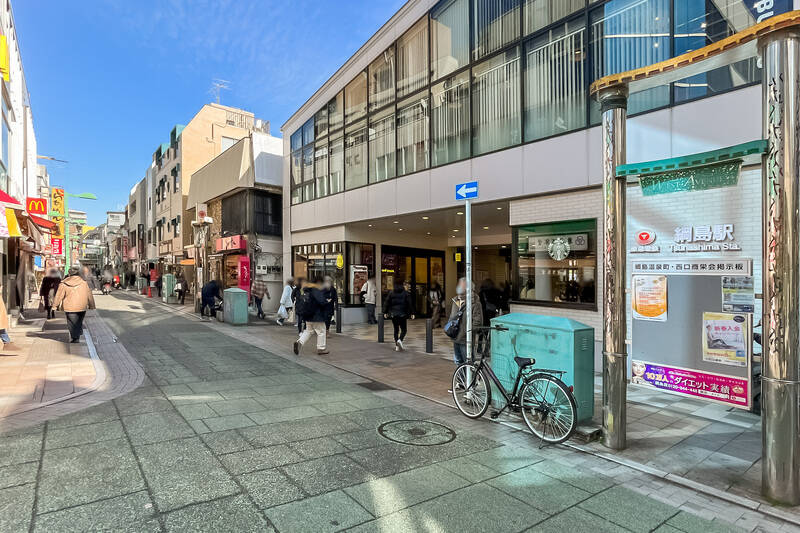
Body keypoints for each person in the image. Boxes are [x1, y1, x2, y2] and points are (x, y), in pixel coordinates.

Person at [52, 267, 96, 343]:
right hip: (82, 306)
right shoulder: (83, 283)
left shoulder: (64, 283)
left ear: (69, 274)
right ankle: (77, 334)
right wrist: (92, 305)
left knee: (71, 322)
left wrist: (54, 306)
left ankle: (75, 337)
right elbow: (89, 295)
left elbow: (59, 296)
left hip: (69, 307)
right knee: (78, 321)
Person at [449, 277, 483, 366]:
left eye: (462, 285)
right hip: (455, 337)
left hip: (465, 339)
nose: (459, 286)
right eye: (459, 284)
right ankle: (461, 380)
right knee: (458, 362)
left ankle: (470, 380)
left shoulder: (475, 303)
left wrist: (467, 332)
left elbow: (478, 322)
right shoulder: (456, 300)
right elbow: (452, 317)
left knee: (468, 363)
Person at [293, 276, 329, 355]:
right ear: (319, 283)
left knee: (308, 331)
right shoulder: (315, 289)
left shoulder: (306, 289)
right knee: (321, 331)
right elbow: (321, 301)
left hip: (308, 314)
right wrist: (327, 302)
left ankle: (299, 342)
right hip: (317, 315)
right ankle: (321, 348)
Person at [383, 281, 415, 351]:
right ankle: (400, 340)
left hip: (393, 315)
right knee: (404, 330)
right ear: (402, 285)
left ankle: (397, 346)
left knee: (396, 330)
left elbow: (386, 302)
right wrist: (412, 313)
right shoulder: (406, 293)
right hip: (402, 314)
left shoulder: (391, 293)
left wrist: (385, 312)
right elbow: (410, 304)